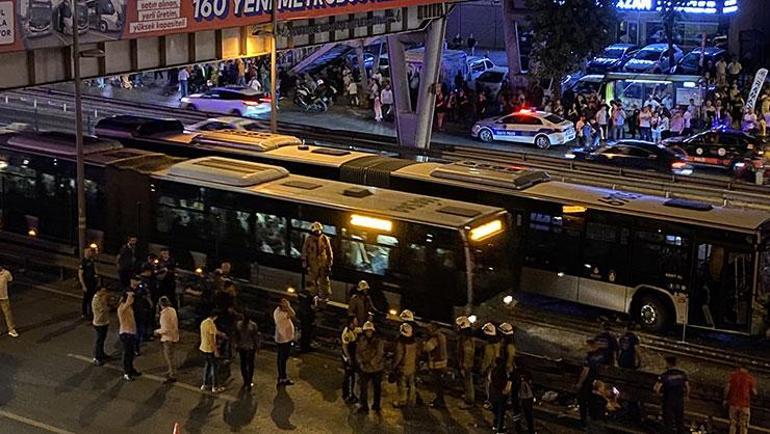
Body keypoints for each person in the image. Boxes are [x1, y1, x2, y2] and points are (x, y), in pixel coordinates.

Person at [654, 356, 690, 434]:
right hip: (679, 400)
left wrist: (659, 396)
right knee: (679, 420)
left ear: (668, 363)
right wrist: (687, 396)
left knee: (668, 421)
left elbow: (656, 388)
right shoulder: (682, 374)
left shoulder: (665, 375)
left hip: (668, 400)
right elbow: (687, 387)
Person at [576, 339, 607, 427]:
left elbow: (585, 371)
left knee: (582, 401)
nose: (585, 348)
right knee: (592, 401)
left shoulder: (590, 357)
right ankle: (593, 419)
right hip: (596, 383)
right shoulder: (600, 356)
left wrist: (579, 383)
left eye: (587, 346)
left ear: (591, 346)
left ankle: (583, 421)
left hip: (588, 383)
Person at [356, 320, 384, 413]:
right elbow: (358, 352)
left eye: (370, 331)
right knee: (363, 388)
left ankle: (376, 405)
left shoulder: (378, 341)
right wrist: (361, 362)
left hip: (376, 368)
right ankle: (364, 406)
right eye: (367, 331)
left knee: (377, 388)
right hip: (365, 368)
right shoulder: (361, 340)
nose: (368, 332)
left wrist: (372, 363)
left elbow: (379, 354)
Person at [302, 222, 333, 299]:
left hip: (323, 264)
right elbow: (304, 252)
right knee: (313, 282)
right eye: (316, 231)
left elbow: (329, 252)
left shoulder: (325, 239)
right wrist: (306, 265)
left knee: (324, 281)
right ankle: (314, 296)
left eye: (318, 231)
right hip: (313, 265)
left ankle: (324, 297)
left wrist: (329, 264)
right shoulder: (308, 240)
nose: (317, 233)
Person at [724, 364, 757, 434]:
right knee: (744, 425)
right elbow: (754, 392)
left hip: (733, 404)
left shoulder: (733, 375)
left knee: (733, 424)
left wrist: (725, 399)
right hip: (745, 405)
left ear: (739, 368)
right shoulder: (750, 378)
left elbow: (727, 388)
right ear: (747, 370)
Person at [392, 322, 418, 408]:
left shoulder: (401, 343)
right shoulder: (414, 342)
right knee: (411, 384)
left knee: (402, 385)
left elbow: (398, 356)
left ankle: (402, 401)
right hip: (411, 366)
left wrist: (393, 366)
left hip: (403, 367)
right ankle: (411, 401)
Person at [154, 296, 179, 384]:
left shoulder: (164, 315)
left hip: (168, 338)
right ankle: (171, 371)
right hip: (174, 336)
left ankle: (172, 375)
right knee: (172, 356)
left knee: (169, 358)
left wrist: (157, 331)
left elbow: (165, 329)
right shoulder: (172, 310)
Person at [424, 322, 448, 409]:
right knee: (440, 384)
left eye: (429, 329)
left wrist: (423, 343)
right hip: (443, 363)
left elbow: (427, 348)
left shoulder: (435, 338)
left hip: (437, 364)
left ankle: (440, 402)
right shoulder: (442, 336)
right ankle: (439, 400)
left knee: (438, 385)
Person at [200, 311, 226, 393]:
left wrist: (221, 334)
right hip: (210, 349)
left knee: (207, 366)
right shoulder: (211, 324)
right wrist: (216, 351)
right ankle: (215, 387)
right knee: (214, 368)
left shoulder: (204, 322)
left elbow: (214, 332)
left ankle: (205, 384)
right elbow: (212, 339)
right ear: (215, 317)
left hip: (203, 348)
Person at [233, 313, 261, 389]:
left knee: (243, 364)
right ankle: (249, 381)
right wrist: (257, 347)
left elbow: (236, 336)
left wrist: (236, 344)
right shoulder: (253, 325)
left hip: (242, 346)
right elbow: (255, 337)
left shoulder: (239, 324)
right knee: (250, 364)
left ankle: (246, 381)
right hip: (250, 347)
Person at [117, 292, 140, 381]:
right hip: (126, 334)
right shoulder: (122, 308)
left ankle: (131, 369)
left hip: (131, 332)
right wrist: (129, 296)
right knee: (127, 354)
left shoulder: (128, 307)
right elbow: (127, 304)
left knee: (131, 354)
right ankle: (127, 372)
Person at [274, 297, 296, 386]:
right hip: (283, 339)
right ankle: (282, 377)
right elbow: (292, 314)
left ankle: (282, 376)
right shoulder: (280, 314)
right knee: (282, 359)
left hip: (286, 338)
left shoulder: (282, 311)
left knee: (284, 358)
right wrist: (288, 307)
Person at [455, 316, 476, 409]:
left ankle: (469, 401)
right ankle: (468, 397)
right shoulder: (465, 337)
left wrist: (464, 366)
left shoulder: (466, 339)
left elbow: (467, 353)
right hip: (465, 363)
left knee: (468, 382)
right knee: (466, 382)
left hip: (466, 364)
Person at [489, 357, 511, 434]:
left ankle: (495, 425)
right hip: (500, 396)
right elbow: (506, 385)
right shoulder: (503, 372)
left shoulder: (493, 371)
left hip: (493, 395)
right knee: (501, 413)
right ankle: (500, 429)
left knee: (495, 412)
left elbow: (490, 381)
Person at [481, 322, 501, 407]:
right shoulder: (498, 344)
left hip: (491, 369)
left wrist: (482, 369)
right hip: (498, 368)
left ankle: (490, 402)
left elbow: (487, 360)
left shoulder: (489, 347)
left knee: (489, 386)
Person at [512, 362, 536, 434]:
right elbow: (531, 384)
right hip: (528, 397)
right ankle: (531, 430)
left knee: (517, 413)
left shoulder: (514, 373)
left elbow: (512, 386)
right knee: (529, 414)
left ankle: (518, 429)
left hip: (517, 397)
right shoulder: (528, 373)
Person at [341, 316, 360, 404]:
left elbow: (360, 330)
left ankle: (351, 394)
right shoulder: (347, 333)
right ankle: (347, 395)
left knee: (352, 376)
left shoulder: (354, 330)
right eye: (355, 321)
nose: (357, 322)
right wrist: (348, 358)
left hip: (352, 355)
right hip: (349, 356)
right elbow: (345, 347)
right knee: (348, 376)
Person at [91, 287, 110, 366]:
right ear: (98, 291)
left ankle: (102, 353)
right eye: (103, 291)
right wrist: (105, 300)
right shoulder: (96, 300)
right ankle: (97, 357)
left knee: (102, 340)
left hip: (104, 321)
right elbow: (103, 309)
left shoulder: (101, 298)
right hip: (99, 322)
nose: (104, 293)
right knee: (99, 340)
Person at [79, 246, 98, 320]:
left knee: (92, 298)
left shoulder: (91, 260)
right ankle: (84, 313)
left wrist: (96, 275)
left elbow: (94, 269)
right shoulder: (83, 262)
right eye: (88, 252)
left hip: (92, 282)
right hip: (87, 282)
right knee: (86, 299)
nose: (90, 253)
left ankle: (91, 313)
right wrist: (83, 285)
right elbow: (80, 274)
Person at [297, 288, 317, 353]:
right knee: (307, 333)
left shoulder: (301, 293)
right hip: (308, 316)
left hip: (301, 315)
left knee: (303, 332)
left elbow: (299, 301)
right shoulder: (310, 296)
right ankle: (305, 348)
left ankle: (302, 347)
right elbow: (313, 307)